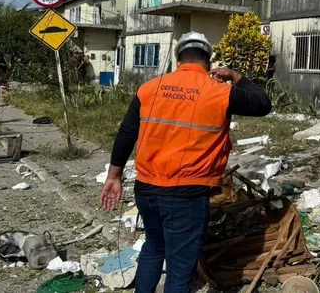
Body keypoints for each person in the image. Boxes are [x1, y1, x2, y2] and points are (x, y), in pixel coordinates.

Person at [99, 32, 272, 293]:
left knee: (154, 248)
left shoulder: (149, 88)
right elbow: (263, 104)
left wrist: (114, 176)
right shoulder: (220, 93)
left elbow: (126, 134)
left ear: (179, 58)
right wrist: (236, 77)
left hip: (147, 189)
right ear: (209, 60)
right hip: (187, 193)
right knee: (180, 268)